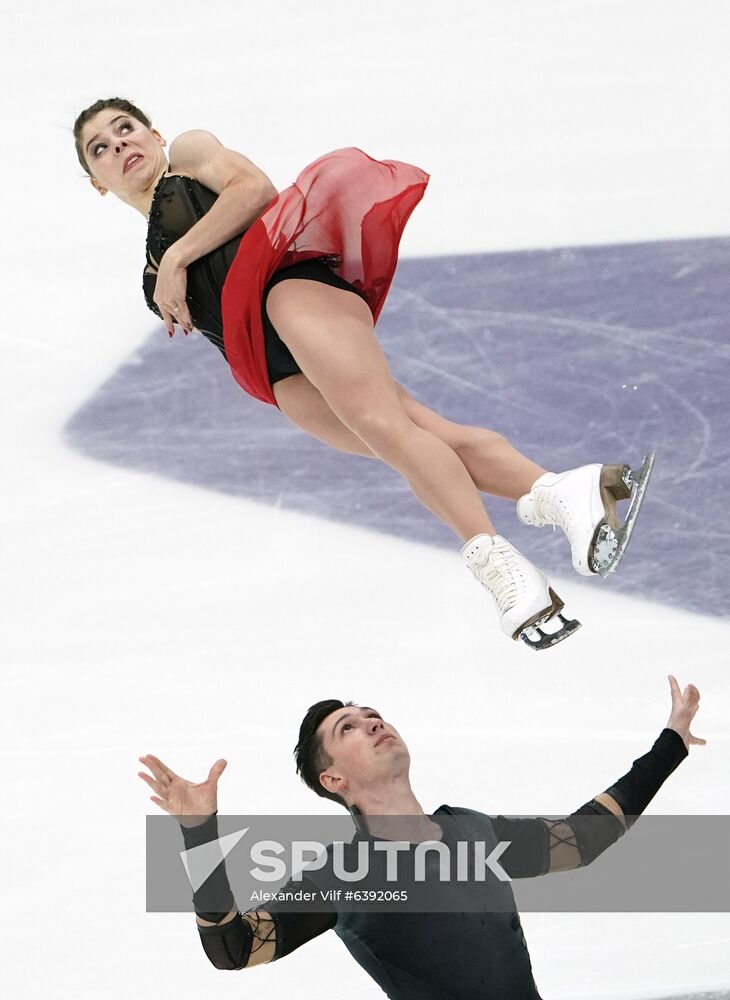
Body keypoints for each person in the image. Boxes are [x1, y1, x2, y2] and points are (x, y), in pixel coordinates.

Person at [75, 97, 655, 650]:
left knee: (388, 429)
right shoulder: (148, 265)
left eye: (126, 127)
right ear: (98, 184)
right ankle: (564, 492)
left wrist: (177, 259)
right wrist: (169, 268)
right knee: (417, 437)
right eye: (99, 148)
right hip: (266, 365)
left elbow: (256, 190)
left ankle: (503, 569)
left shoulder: (188, 153)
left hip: (290, 294)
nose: (119, 144)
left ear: (153, 133)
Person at [138, 676, 704, 999]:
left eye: (373, 714)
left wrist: (671, 744)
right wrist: (199, 833)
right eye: (349, 728)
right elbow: (234, 950)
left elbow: (583, 838)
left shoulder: (472, 831)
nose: (373, 723)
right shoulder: (344, 876)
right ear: (334, 780)